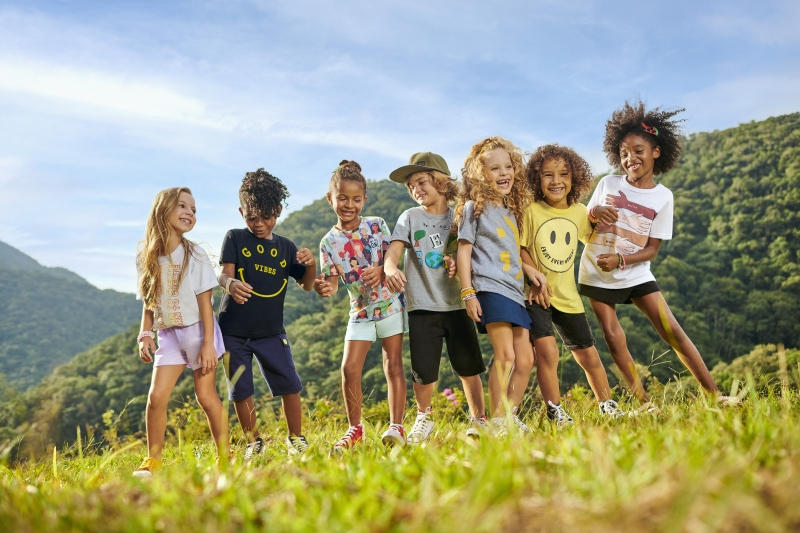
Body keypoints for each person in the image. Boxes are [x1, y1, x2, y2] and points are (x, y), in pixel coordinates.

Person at [578, 100, 734, 406]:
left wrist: (622, 260)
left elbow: (651, 250)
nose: (630, 158)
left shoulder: (664, 197)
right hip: (598, 270)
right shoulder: (608, 182)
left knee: (672, 329)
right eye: (624, 153)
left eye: (638, 150)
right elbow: (586, 219)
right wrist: (597, 210)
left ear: (656, 152)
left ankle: (716, 397)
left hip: (634, 270)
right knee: (613, 335)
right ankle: (646, 404)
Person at [384, 152, 488, 443]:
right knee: (424, 370)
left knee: (469, 366)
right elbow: (393, 251)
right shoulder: (410, 217)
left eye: (421, 181)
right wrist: (390, 267)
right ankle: (424, 418)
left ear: (441, 182)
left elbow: (468, 251)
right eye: (411, 186)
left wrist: (455, 261)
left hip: (457, 303)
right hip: (422, 305)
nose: (416, 189)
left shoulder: (460, 214)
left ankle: (478, 418)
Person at [521, 144, 627, 426]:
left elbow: (594, 239)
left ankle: (607, 404)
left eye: (563, 174)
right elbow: (519, 248)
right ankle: (555, 411)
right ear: (536, 179)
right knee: (547, 352)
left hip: (567, 295)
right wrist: (532, 275)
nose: (556, 181)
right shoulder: (531, 211)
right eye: (548, 175)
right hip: (536, 295)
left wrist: (598, 214)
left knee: (587, 353)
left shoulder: (579, 211)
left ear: (574, 178)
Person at [217, 169, 316, 458]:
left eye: (266, 216)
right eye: (251, 217)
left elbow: (307, 285)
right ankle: (253, 442)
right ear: (241, 212)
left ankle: (296, 438)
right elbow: (223, 276)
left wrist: (311, 265)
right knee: (241, 389)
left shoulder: (286, 247)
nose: (259, 224)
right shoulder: (235, 238)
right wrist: (231, 284)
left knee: (289, 383)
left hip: (271, 331)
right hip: (233, 331)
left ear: (278, 210)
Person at [455, 137, 546, 436]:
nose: (504, 173)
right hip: (490, 289)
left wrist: (530, 269)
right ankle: (495, 421)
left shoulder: (511, 211)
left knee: (527, 358)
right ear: (481, 174)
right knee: (505, 356)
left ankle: (508, 415)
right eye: (495, 168)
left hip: (514, 291)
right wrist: (468, 292)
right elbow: (464, 251)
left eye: (508, 166)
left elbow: (512, 252)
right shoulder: (473, 209)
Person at [314, 160, 408, 451]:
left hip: (390, 304)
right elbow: (330, 281)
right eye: (342, 198)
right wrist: (324, 287)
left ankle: (397, 426)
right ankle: (355, 428)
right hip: (360, 312)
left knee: (392, 364)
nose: (349, 205)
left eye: (356, 199)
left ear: (364, 200)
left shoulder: (377, 224)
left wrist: (381, 270)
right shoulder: (328, 242)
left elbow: (393, 257)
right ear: (331, 199)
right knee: (349, 370)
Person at [134, 187, 227, 477]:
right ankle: (153, 461)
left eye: (194, 209)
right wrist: (145, 334)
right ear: (163, 210)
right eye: (183, 206)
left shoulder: (195, 255)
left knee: (206, 396)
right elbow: (149, 301)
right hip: (169, 336)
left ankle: (225, 456)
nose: (190, 213)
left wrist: (209, 345)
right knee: (156, 398)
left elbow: (206, 304)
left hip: (200, 332)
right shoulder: (146, 256)